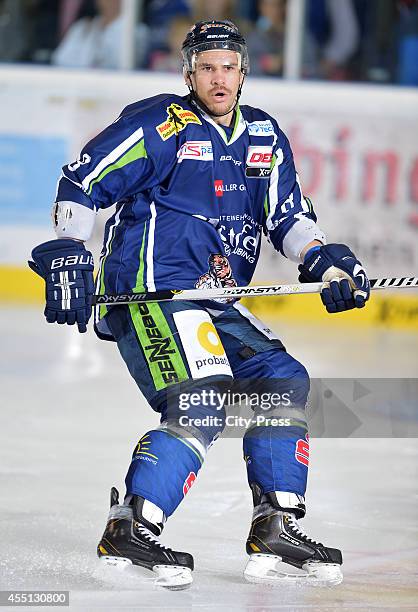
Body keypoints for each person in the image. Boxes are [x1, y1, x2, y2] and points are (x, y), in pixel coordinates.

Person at [29, 20, 370, 590]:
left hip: (216, 300)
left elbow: (287, 219)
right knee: (202, 401)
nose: (219, 77)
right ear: (189, 73)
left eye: (228, 66)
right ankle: (131, 527)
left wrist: (325, 264)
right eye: (207, 67)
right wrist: (68, 249)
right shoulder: (161, 125)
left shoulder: (263, 134)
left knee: (282, 379)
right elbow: (82, 182)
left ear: (244, 72)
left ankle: (276, 524)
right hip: (152, 294)